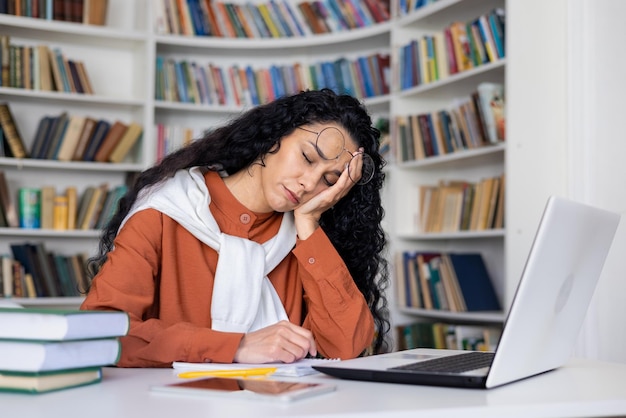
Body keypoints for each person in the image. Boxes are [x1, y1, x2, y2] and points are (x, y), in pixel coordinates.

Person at [81, 88, 390, 368]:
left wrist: (308, 225)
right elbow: (100, 332)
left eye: (330, 181)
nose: (310, 184)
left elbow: (345, 346)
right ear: (274, 137)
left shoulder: (305, 237)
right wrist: (235, 346)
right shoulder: (165, 210)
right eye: (308, 157)